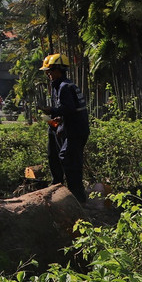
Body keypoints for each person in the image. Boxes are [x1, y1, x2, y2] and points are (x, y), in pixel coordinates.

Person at [41, 54, 89, 203]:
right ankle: (63, 191)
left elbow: (68, 108)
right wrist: (59, 118)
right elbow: (72, 110)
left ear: (58, 70)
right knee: (59, 156)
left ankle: (78, 199)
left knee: (69, 160)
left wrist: (52, 111)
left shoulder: (64, 87)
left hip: (76, 130)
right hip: (72, 128)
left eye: (49, 70)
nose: (47, 73)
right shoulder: (61, 85)